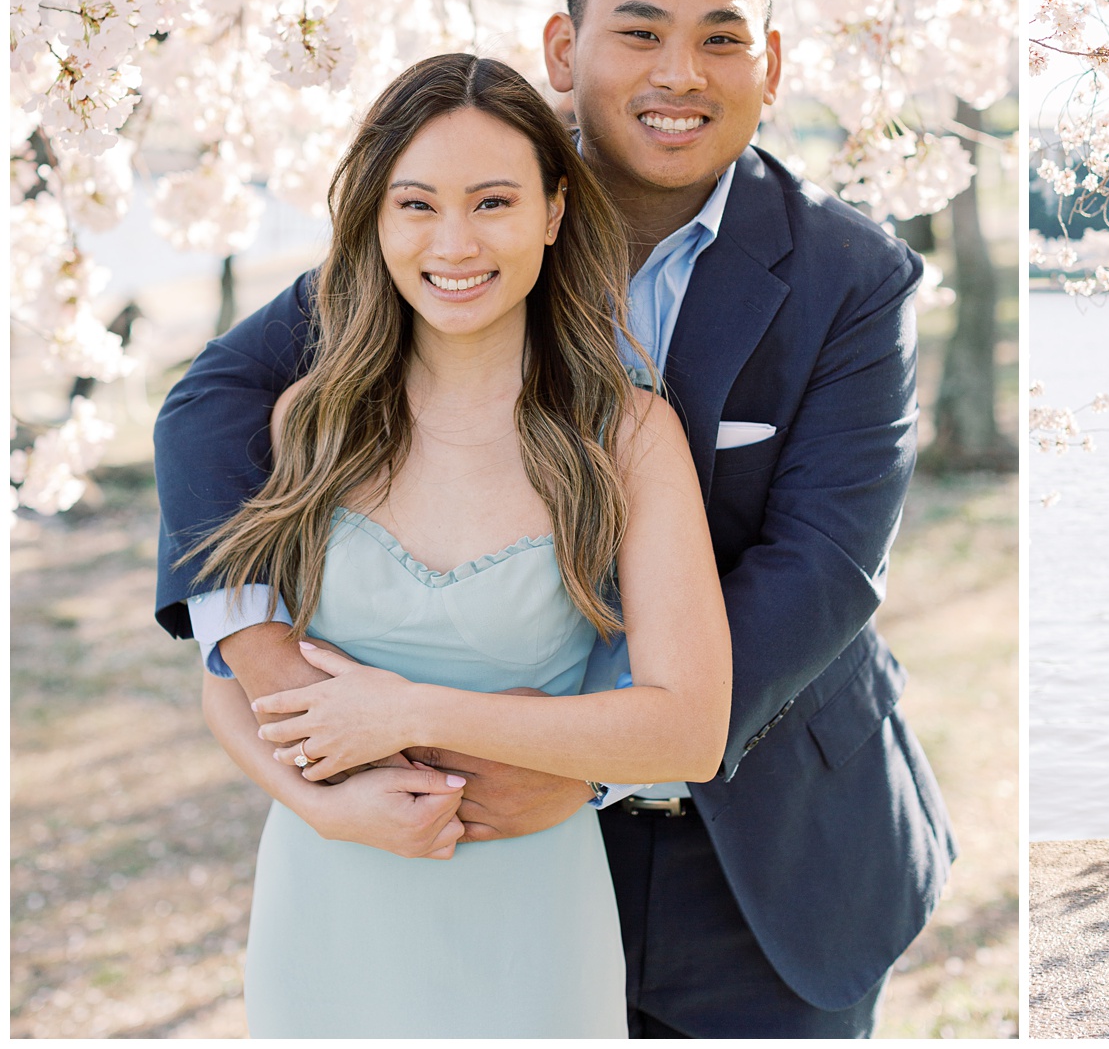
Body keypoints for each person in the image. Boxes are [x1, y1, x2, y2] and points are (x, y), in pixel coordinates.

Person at [154, 0, 954, 1037]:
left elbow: (824, 567)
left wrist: (588, 761)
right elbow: (213, 400)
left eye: (719, 39)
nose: (677, 74)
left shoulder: (850, 279)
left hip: (756, 843)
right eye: (638, 32)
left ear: (768, 64)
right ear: (564, 51)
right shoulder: (461, 216)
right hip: (440, 839)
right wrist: (268, 664)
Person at [183, 52, 730, 1035]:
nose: (453, 241)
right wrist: (318, 807)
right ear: (376, 220)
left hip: (530, 933)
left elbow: (686, 729)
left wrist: (414, 710)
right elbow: (230, 677)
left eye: (491, 202)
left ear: (554, 213)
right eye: (417, 204)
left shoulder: (627, 438)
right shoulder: (308, 422)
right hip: (326, 914)